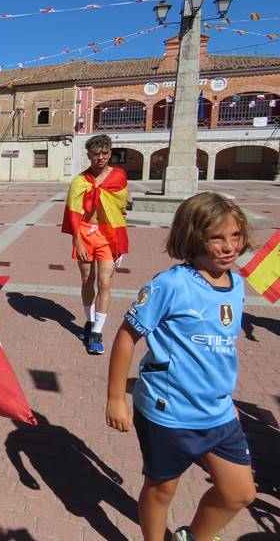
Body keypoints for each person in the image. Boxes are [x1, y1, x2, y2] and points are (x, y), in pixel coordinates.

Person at [105, 193, 256, 541]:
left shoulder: (237, 285)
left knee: (240, 493)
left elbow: (221, 348)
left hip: (219, 412)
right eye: (216, 237)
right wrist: (116, 398)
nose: (229, 246)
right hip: (169, 412)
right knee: (162, 490)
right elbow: (127, 336)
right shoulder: (170, 284)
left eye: (235, 235)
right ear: (193, 236)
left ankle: (193, 536)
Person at [61, 134, 128, 355]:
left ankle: (98, 331)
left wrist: (120, 243)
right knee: (87, 280)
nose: (101, 158)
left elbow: (120, 211)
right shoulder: (80, 181)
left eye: (105, 153)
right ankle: (89, 322)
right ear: (89, 155)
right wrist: (77, 241)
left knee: (104, 282)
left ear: (110, 153)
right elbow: (73, 213)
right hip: (85, 234)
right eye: (96, 154)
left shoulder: (118, 176)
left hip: (108, 235)